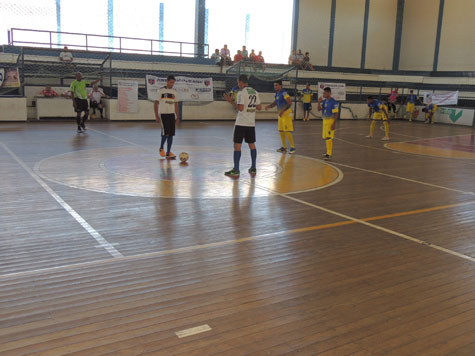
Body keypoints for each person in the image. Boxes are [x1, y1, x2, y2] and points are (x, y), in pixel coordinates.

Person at [225, 74, 262, 177]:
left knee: (237, 145)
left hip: (241, 122)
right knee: (252, 144)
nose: (238, 84)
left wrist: (231, 101)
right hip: (251, 123)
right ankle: (253, 167)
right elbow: (259, 107)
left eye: (238, 83)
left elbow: (240, 108)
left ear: (241, 82)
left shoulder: (241, 93)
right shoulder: (255, 92)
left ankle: (236, 169)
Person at [265, 80, 296, 154]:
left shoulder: (284, 93)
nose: (275, 87)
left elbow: (289, 103)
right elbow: (276, 102)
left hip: (286, 114)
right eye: (274, 85)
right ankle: (284, 147)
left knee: (287, 131)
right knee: (281, 131)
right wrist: (270, 106)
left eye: (276, 85)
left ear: (280, 86)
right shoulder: (276, 94)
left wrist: (283, 111)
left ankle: (292, 147)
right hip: (281, 115)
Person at [154, 75, 180, 159]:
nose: (172, 84)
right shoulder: (161, 91)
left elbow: (176, 105)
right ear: (167, 81)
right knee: (165, 133)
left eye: (173, 83)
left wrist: (177, 116)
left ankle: (168, 153)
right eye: (171, 82)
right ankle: (161, 148)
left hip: (171, 115)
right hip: (163, 114)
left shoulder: (174, 92)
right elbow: (155, 103)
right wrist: (156, 116)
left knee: (171, 134)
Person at [317, 87, 339, 160]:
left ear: (329, 93)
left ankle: (329, 154)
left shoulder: (333, 102)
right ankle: (327, 152)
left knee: (329, 138)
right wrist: (319, 102)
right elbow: (319, 109)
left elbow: (336, 114)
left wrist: (334, 123)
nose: (323, 94)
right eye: (323, 93)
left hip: (330, 121)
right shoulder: (324, 101)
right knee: (326, 137)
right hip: (325, 121)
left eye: (324, 93)